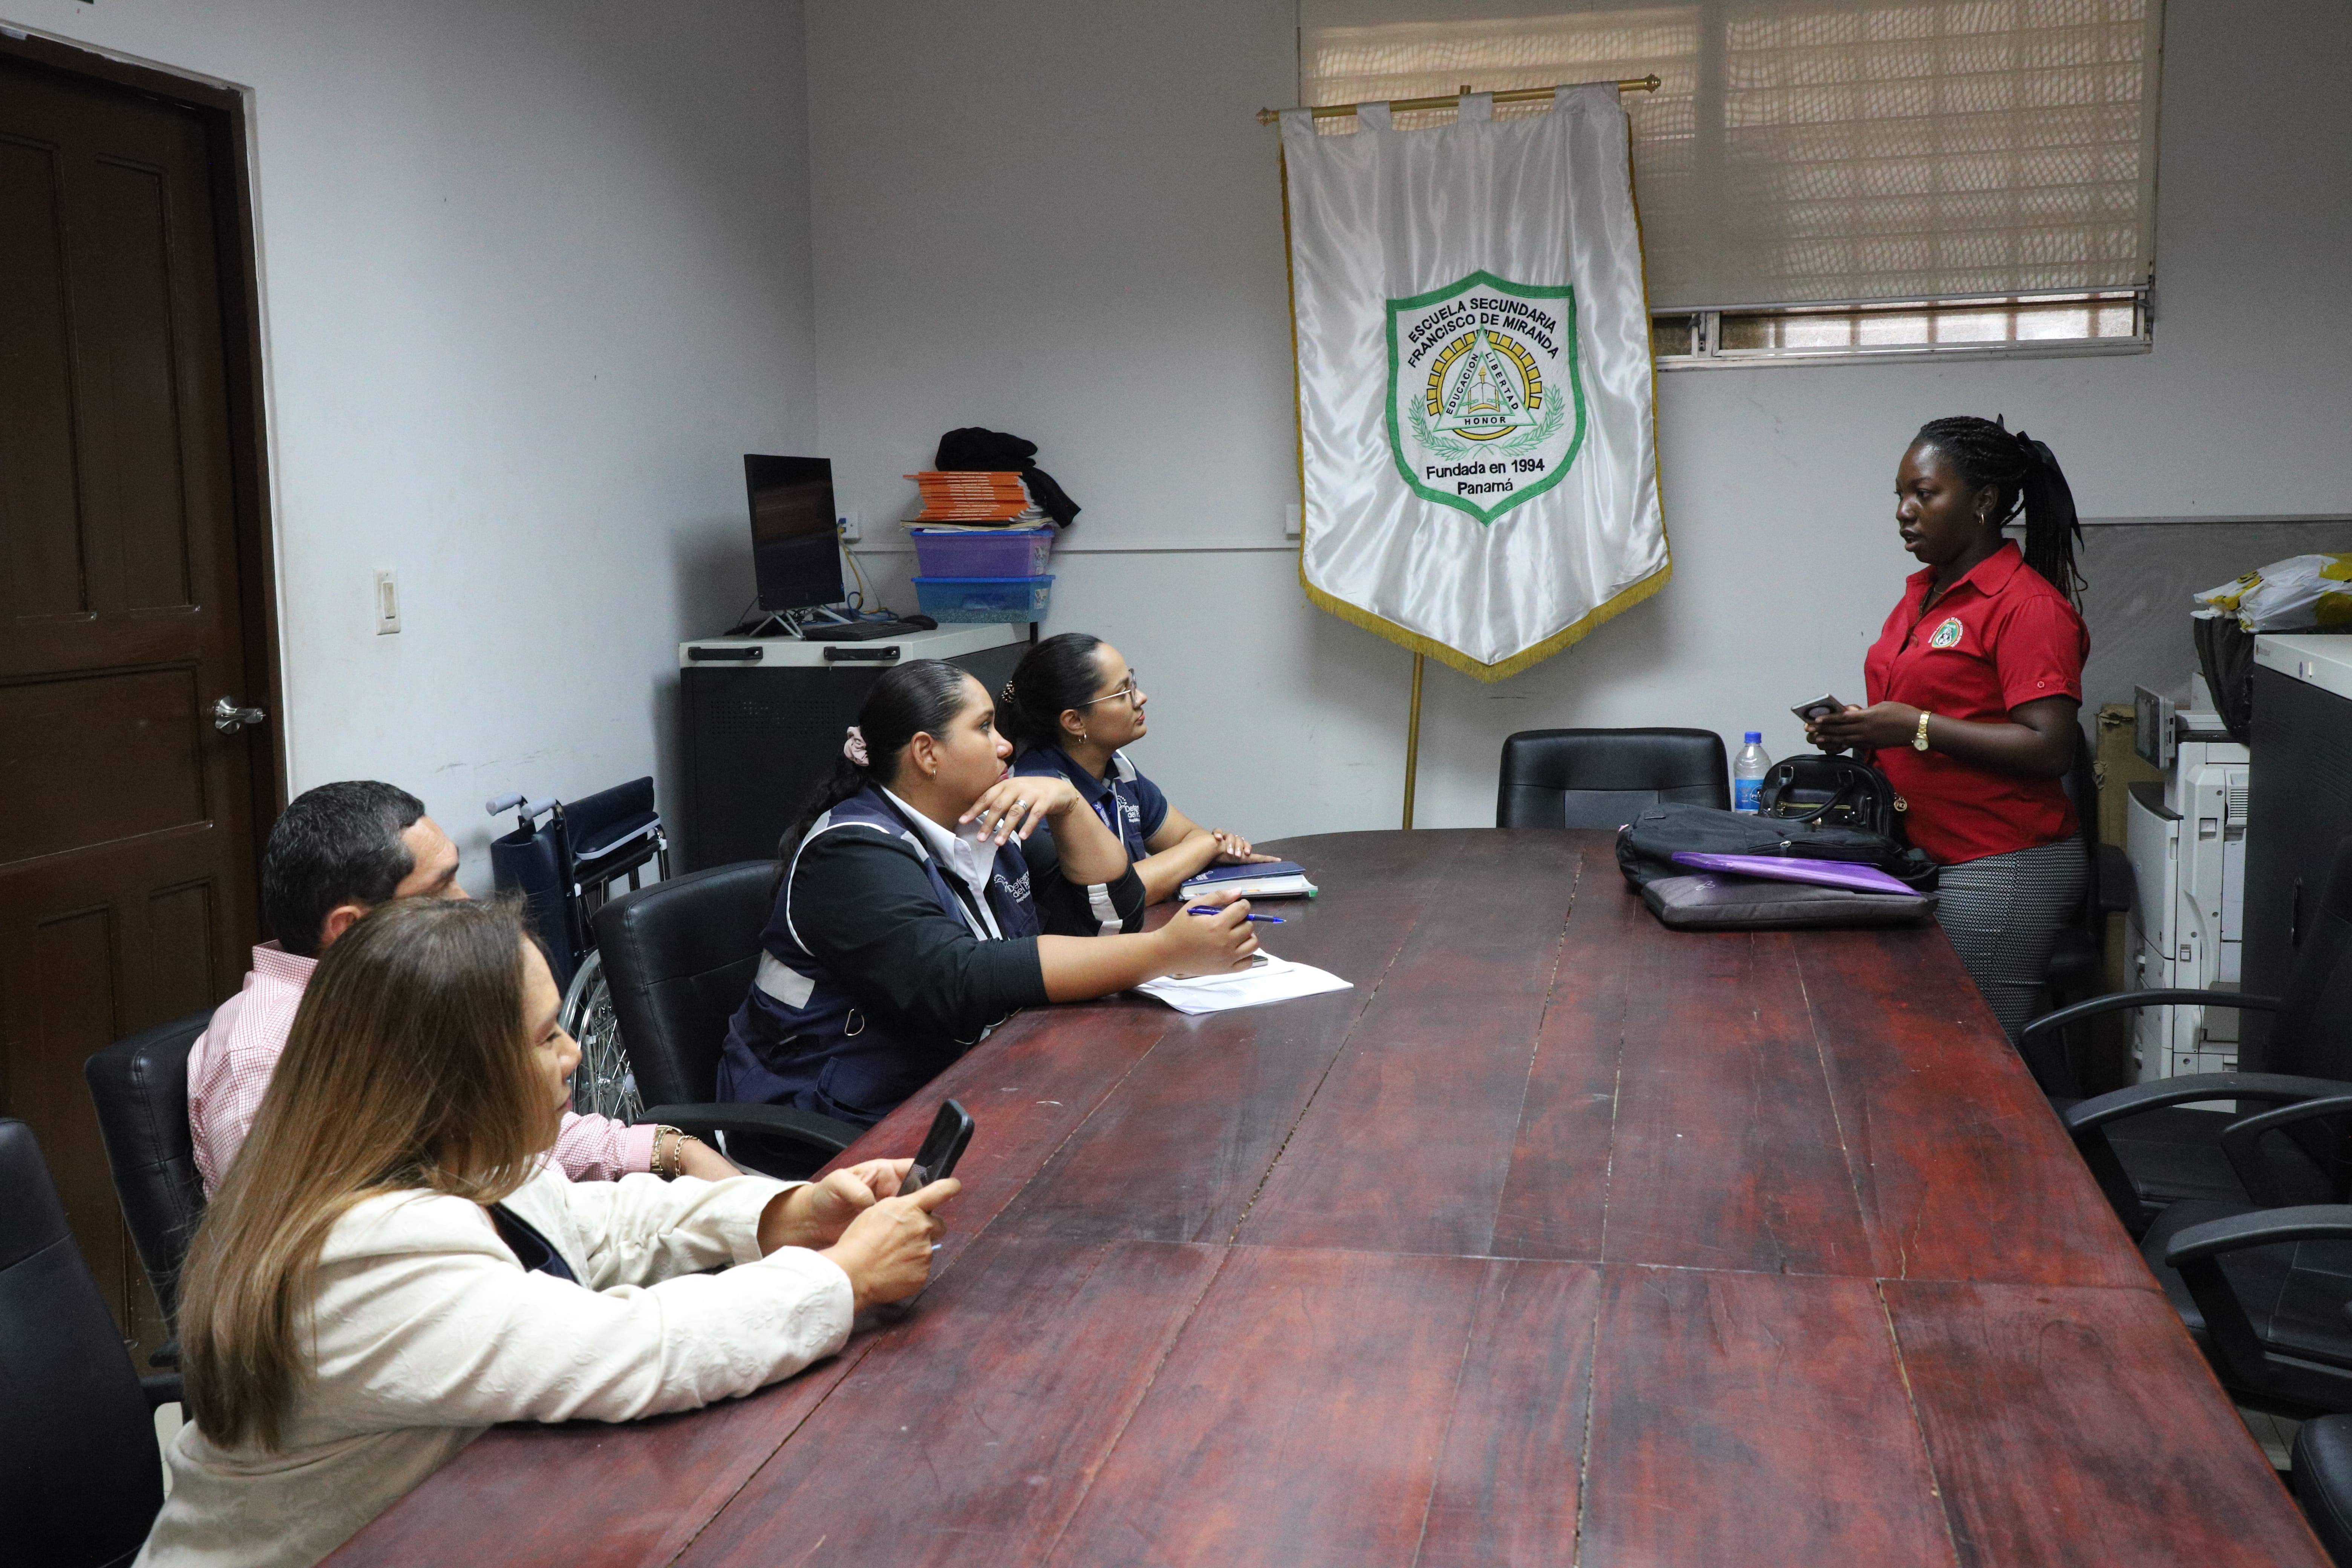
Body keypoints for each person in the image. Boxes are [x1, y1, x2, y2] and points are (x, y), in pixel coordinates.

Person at [138, 897, 957, 1568]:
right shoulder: (362, 1250)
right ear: (447, 1074)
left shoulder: (455, 1153)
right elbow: (630, 1350)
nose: (573, 1056)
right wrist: (842, 1280)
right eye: (545, 1038)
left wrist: (789, 1215)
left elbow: (605, 1225)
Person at [718, 658, 1259, 1137]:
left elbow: (1110, 917)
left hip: (958, 1083)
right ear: (927, 753)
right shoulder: (851, 853)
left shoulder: (984, 820)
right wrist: (1164, 951)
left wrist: (1070, 805)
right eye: (984, 728)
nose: (1005, 745)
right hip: (835, 1116)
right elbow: (959, 980)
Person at [187, 781, 735, 1193]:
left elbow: (526, 1129)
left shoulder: (398, 989)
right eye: (439, 888)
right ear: (350, 928)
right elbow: (315, 1264)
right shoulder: (264, 1059)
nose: (467, 903)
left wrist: (671, 1149)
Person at [1809, 415, 2090, 1043]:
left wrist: (1913, 726)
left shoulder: (2028, 607)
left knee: (1973, 1052)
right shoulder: (1925, 595)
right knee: (1930, 1043)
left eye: (1925, 494)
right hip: (1926, 851)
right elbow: (1931, 712)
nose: (1904, 512)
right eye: (1900, 496)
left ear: (1983, 502)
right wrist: (1862, 730)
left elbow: (2051, 747)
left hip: (2001, 861)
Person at [998, 633, 1278, 903]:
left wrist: (1207, 847)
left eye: (1132, 684)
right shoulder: (1037, 793)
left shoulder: (1118, 766)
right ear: (1075, 722)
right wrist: (1208, 847)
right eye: (1122, 693)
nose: (1140, 697)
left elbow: (1187, 837)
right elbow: (1112, 898)